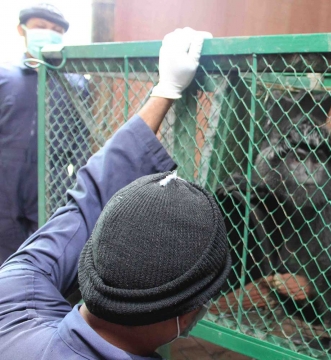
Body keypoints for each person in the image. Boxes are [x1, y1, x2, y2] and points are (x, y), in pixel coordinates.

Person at [0, 27, 231, 359]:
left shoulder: (11, 298)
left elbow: (84, 208)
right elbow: (86, 207)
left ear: (88, 258)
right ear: (183, 320)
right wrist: (166, 89)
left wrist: (164, 91)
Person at [0, 3, 91, 263]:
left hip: (53, 176)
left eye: (56, 30)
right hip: (5, 178)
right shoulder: (5, 76)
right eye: (40, 27)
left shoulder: (74, 84)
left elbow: (81, 140)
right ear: (22, 29)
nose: (48, 34)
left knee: (44, 249)